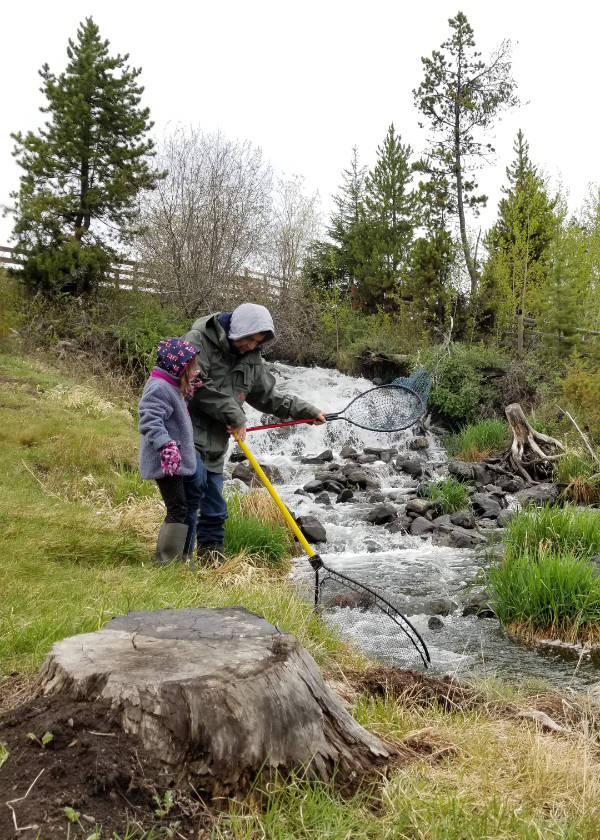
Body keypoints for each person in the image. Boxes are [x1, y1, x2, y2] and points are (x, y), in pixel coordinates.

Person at [185, 302, 325, 565]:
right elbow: (195, 383)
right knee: (189, 502)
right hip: (186, 436)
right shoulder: (197, 340)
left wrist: (307, 412)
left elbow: (267, 396)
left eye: (257, 341)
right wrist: (235, 415)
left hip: (216, 445)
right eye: (248, 338)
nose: (250, 345)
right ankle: (176, 565)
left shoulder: (252, 359)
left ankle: (211, 565)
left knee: (215, 510)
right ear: (237, 328)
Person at [138, 337, 205, 564]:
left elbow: (171, 412)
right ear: (178, 366)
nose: (195, 370)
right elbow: (149, 419)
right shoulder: (159, 387)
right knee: (177, 509)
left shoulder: (169, 384)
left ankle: (179, 559)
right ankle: (166, 562)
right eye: (191, 366)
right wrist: (165, 445)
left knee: (182, 508)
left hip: (175, 462)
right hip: (166, 462)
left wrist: (187, 391)